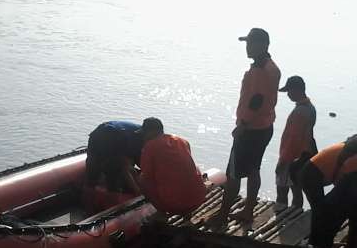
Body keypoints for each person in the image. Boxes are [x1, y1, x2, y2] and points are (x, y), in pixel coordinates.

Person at [208, 27, 281, 228]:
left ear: (263, 45)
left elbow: (256, 101)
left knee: (233, 174)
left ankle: (222, 215)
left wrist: (243, 125)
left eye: (251, 43)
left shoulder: (259, 70)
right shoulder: (272, 67)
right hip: (265, 127)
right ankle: (247, 210)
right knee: (254, 169)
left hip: (250, 129)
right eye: (247, 43)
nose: (247, 47)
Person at [132, 117, 207, 215]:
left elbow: (147, 176)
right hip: (197, 200)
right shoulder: (182, 141)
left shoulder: (150, 147)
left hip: (175, 206)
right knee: (195, 168)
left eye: (145, 133)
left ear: (151, 132)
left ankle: (161, 212)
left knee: (142, 179)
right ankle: (187, 212)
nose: (144, 137)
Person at [275, 75, 317, 211]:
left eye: (289, 91)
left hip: (292, 156)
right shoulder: (310, 107)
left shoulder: (299, 112)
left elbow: (293, 139)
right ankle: (296, 213)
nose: (288, 95)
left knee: (282, 188)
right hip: (304, 155)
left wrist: (283, 160)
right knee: (297, 188)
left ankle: (281, 213)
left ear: (297, 90)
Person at [85, 120, 144, 193]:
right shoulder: (138, 142)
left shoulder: (138, 133)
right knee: (114, 169)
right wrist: (137, 191)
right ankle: (113, 191)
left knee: (93, 161)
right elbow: (125, 168)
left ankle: (91, 184)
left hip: (99, 131)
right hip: (113, 135)